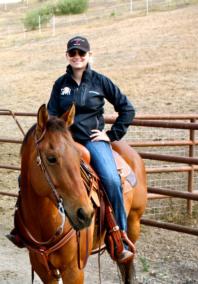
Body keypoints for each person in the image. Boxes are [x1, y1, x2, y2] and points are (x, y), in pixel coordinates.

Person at [48, 36, 136, 263]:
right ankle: (23, 229)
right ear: (67, 56)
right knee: (35, 171)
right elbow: (51, 115)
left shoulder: (100, 82)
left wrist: (111, 135)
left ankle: (119, 236)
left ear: (89, 56)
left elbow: (127, 109)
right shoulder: (60, 84)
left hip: (93, 141)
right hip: (67, 143)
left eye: (82, 53)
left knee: (110, 178)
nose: (77, 57)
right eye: (73, 53)